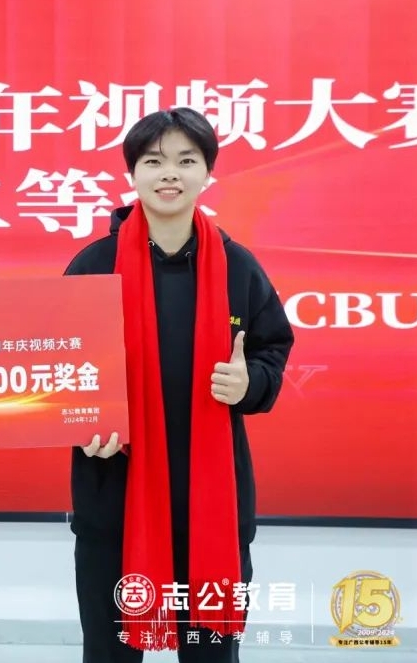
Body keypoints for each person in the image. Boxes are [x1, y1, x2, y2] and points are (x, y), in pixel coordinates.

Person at [63, 107, 295, 662]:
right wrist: (84, 424)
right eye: (153, 161)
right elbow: (61, 367)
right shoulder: (94, 265)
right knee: (111, 649)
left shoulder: (238, 267)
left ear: (207, 173)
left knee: (210, 648)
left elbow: (272, 348)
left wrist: (249, 383)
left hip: (211, 496)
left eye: (186, 161)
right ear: (132, 174)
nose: (170, 173)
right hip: (114, 492)